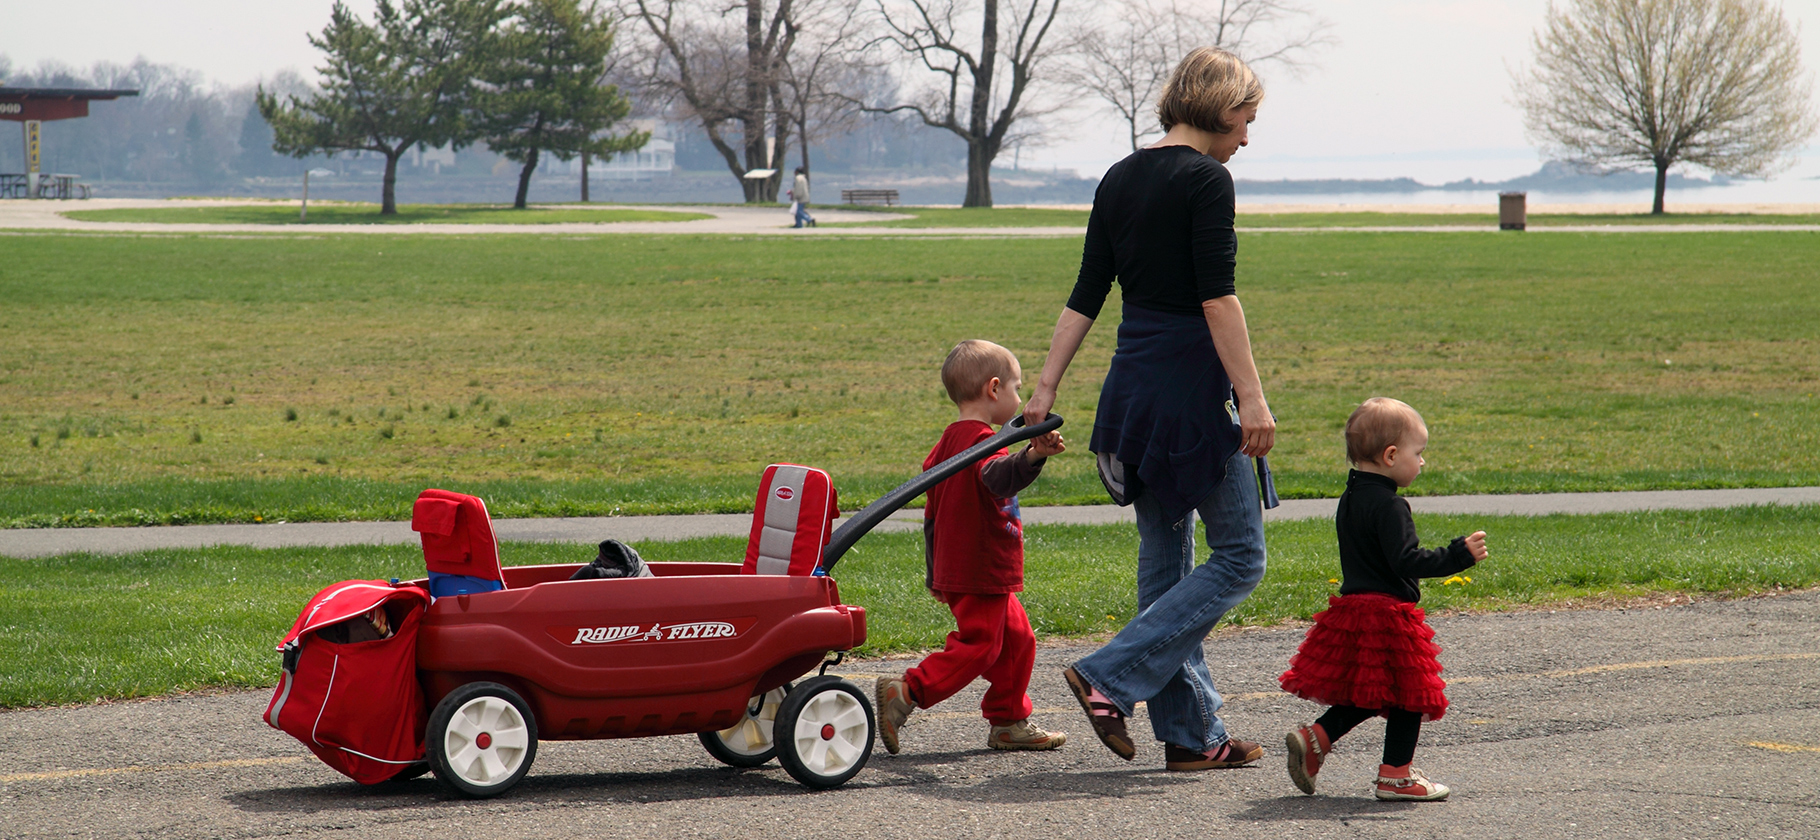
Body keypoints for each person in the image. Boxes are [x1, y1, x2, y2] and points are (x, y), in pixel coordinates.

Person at [1021, 46, 1276, 772]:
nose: (1247, 138)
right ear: (1218, 108)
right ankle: (1106, 674)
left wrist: (1045, 387)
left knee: (1166, 566)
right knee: (1240, 557)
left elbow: (1086, 293)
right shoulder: (1207, 180)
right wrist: (1252, 398)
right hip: (1189, 396)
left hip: (1131, 393)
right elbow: (1217, 298)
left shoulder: (1119, 176)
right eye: (1245, 119)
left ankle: (1192, 739)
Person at [1278, 397, 1489, 801]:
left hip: (1354, 609)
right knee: (1411, 693)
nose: (1422, 462)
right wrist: (1458, 555)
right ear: (1391, 455)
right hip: (1388, 613)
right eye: (1418, 453)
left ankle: (1317, 737)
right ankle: (1396, 776)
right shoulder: (1391, 504)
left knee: (1373, 691)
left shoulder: (1351, 498)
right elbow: (1405, 560)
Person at [875, 339, 1069, 754]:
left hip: (967, 567)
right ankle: (908, 690)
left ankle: (1008, 721)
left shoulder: (948, 441)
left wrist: (935, 571)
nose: (1019, 397)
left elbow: (933, 513)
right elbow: (997, 478)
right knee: (981, 646)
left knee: (1018, 641)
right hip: (978, 568)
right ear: (993, 389)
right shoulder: (980, 443)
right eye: (1017, 388)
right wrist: (1032, 457)